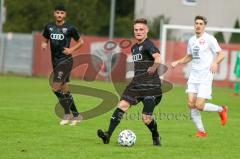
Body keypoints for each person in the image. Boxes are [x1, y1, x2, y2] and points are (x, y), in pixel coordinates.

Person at [97, 18, 163, 146]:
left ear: (147, 31)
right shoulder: (134, 48)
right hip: (136, 84)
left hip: (151, 86)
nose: (138, 32)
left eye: (141, 29)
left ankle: (155, 135)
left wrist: (153, 67)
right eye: (136, 30)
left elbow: (158, 58)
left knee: (146, 118)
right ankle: (107, 135)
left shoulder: (149, 45)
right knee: (122, 105)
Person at [171, 15, 228, 137]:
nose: (198, 25)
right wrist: (178, 62)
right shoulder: (191, 40)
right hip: (194, 76)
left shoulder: (210, 39)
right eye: (196, 23)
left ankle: (221, 109)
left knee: (199, 105)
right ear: (194, 25)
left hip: (206, 75)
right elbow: (189, 56)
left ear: (204, 26)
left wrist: (215, 62)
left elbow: (221, 54)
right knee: (191, 104)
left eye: (200, 23)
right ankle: (202, 131)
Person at [41, 4, 84, 126]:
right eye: (57, 12)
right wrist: (43, 44)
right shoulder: (49, 27)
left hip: (65, 61)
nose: (59, 15)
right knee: (64, 90)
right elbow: (44, 39)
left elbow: (81, 42)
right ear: (54, 13)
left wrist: (71, 50)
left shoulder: (70, 28)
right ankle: (75, 115)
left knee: (55, 87)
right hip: (55, 61)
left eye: (62, 13)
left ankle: (67, 114)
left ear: (65, 15)